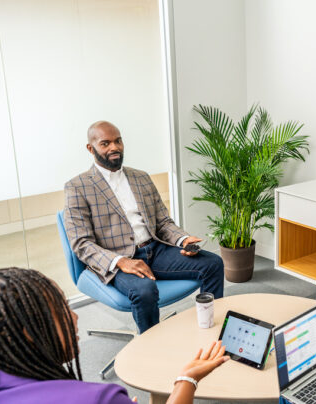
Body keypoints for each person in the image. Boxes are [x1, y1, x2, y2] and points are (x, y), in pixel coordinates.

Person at [63, 121, 225, 334]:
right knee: (144, 290)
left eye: (118, 141)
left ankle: (212, 329)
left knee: (213, 263)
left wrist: (183, 239)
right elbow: (81, 243)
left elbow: (163, 221)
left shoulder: (141, 178)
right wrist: (122, 262)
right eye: (105, 143)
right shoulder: (77, 187)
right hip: (118, 260)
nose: (114, 147)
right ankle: (151, 344)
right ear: (90, 148)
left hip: (155, 250)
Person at [0, 267, 229, 404]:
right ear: (28, 333)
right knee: (144, 291)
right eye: (62, 310)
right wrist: (188, 379)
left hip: (151, 257)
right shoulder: (99, 398)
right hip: (111, 267)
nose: (75, 317)